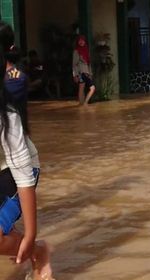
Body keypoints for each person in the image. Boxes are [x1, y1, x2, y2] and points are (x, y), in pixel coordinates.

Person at [0, 22, 53, 280]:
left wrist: (31, 234)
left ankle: (38, 251)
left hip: (19, 167)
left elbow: (22, 172)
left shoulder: (14, 87)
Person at [72, 35, 95, 105]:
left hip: (87, 73)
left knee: (92, 88)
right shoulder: (76, 51)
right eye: (79, 40)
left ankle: (85, 103)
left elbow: (89, 63)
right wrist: (75, 75)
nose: (81, 42)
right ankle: (81, 105)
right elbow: (74, 64)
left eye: (82, 40)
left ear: (85, 41)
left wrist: (90, 74)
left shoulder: (87, 50)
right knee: (81, 88)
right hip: (80, 73)